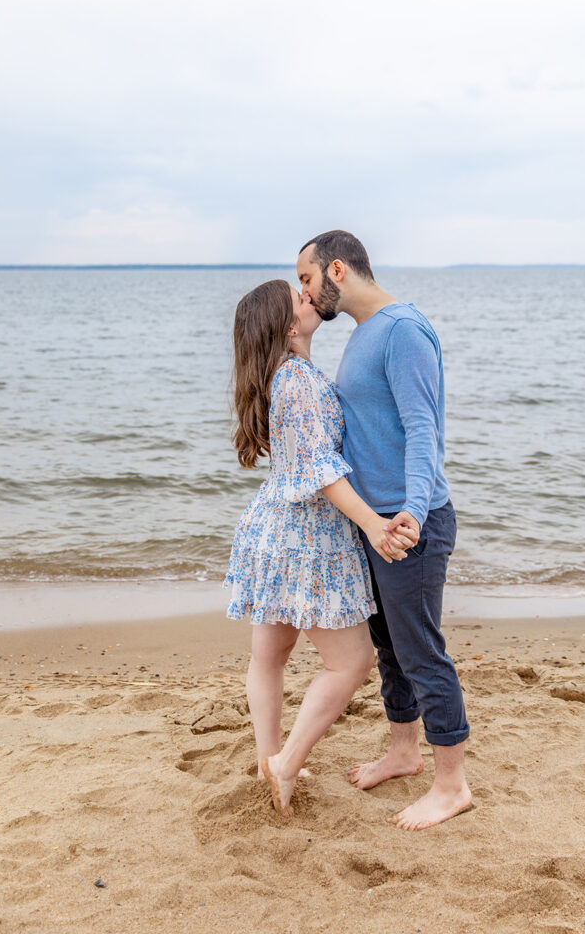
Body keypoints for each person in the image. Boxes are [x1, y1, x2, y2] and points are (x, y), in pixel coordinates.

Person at [297, 230, 472, 831]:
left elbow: (424, 431)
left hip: (409, 524)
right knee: (390, 650)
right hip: (376, 527)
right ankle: (403, 753)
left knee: (422, 652)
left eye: (306, 278)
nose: (304, 290)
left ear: (336, 270)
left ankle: (451, 785)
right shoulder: (364, 334)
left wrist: (414, 516)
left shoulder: (403, 330)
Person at [222, 279, 414, 818]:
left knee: (270, 657)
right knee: (351, 662)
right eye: (300, 298)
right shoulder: (298, 382)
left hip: (274, 530)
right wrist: (375, 524)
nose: (311, 299)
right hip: (307, 537)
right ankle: (285, 762)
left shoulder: (283, 374)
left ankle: (269, 759)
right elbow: (323, 472)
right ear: (286, 325)